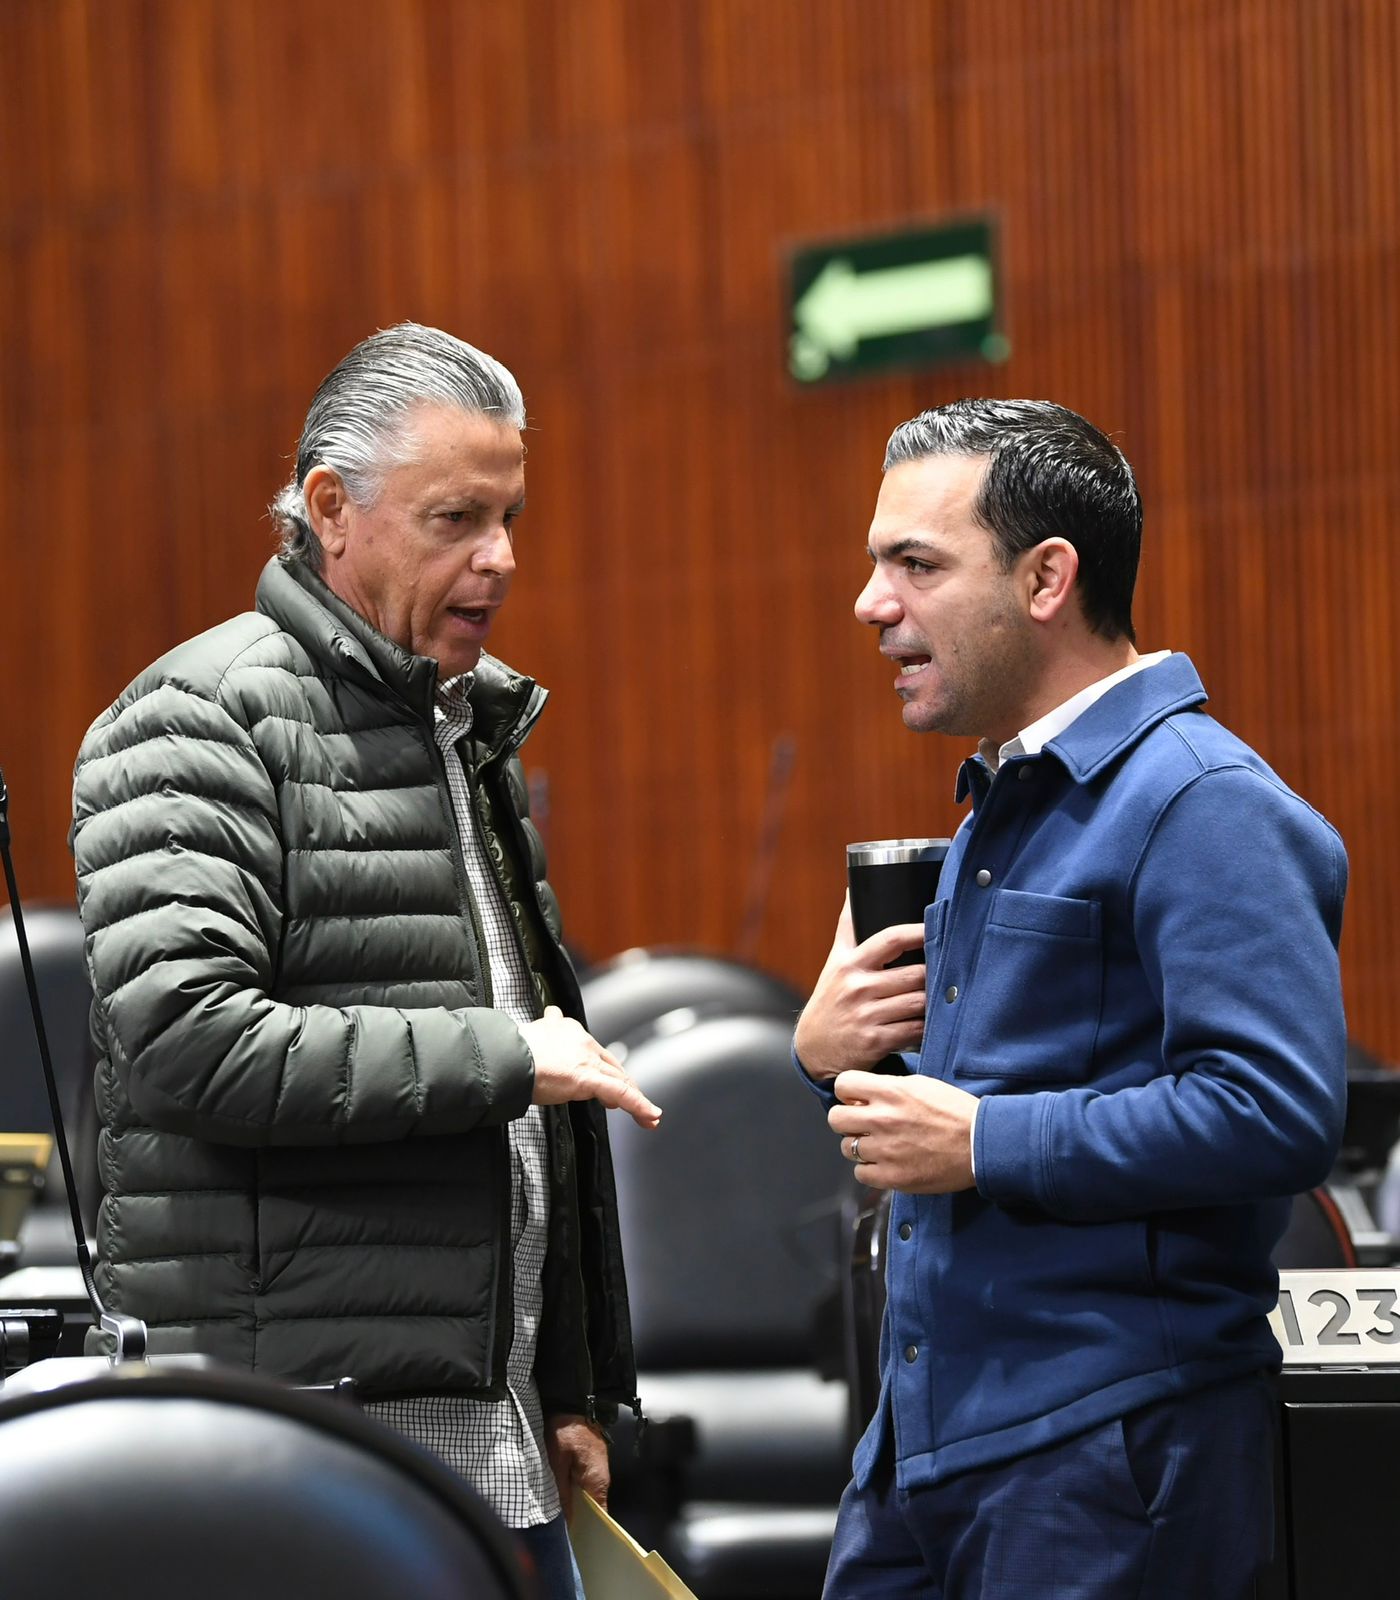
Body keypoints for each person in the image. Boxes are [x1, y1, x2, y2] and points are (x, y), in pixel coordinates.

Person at [71, 322, 661, 1599]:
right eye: (456, 519)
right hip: (295, 1446)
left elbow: (520, 1135)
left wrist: (556, 1388)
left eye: (508, 517)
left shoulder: (461, 727)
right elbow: (192, 1042)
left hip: (486, 1434)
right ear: (331, 509)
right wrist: (504, 1056)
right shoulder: (196, 718)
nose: (499, 557)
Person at [795, 399, 1348, 1599]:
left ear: (1046, 578)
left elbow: (1274, 1111)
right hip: (926, 1447)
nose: (870, 602)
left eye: (915, 564)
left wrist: (985, 1140)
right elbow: (978, 1106)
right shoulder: (1004, 799)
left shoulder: (1202, 803)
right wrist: (830, 1052)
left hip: (1107, 1455)